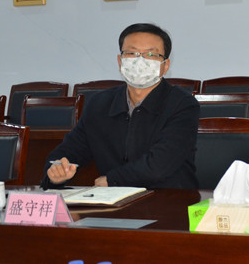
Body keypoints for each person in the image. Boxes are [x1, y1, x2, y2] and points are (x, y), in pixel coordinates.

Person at [42, 23, 200, 189]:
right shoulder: (100, 104)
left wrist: (113, 179)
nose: (140, 61)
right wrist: (56, 171)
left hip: (169, 198)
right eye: (132, 53)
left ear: (165, 66)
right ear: (120, 61)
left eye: (150, 54)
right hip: (114, 200)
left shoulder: (182, 104)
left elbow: (161, 164)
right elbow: (71, 149)